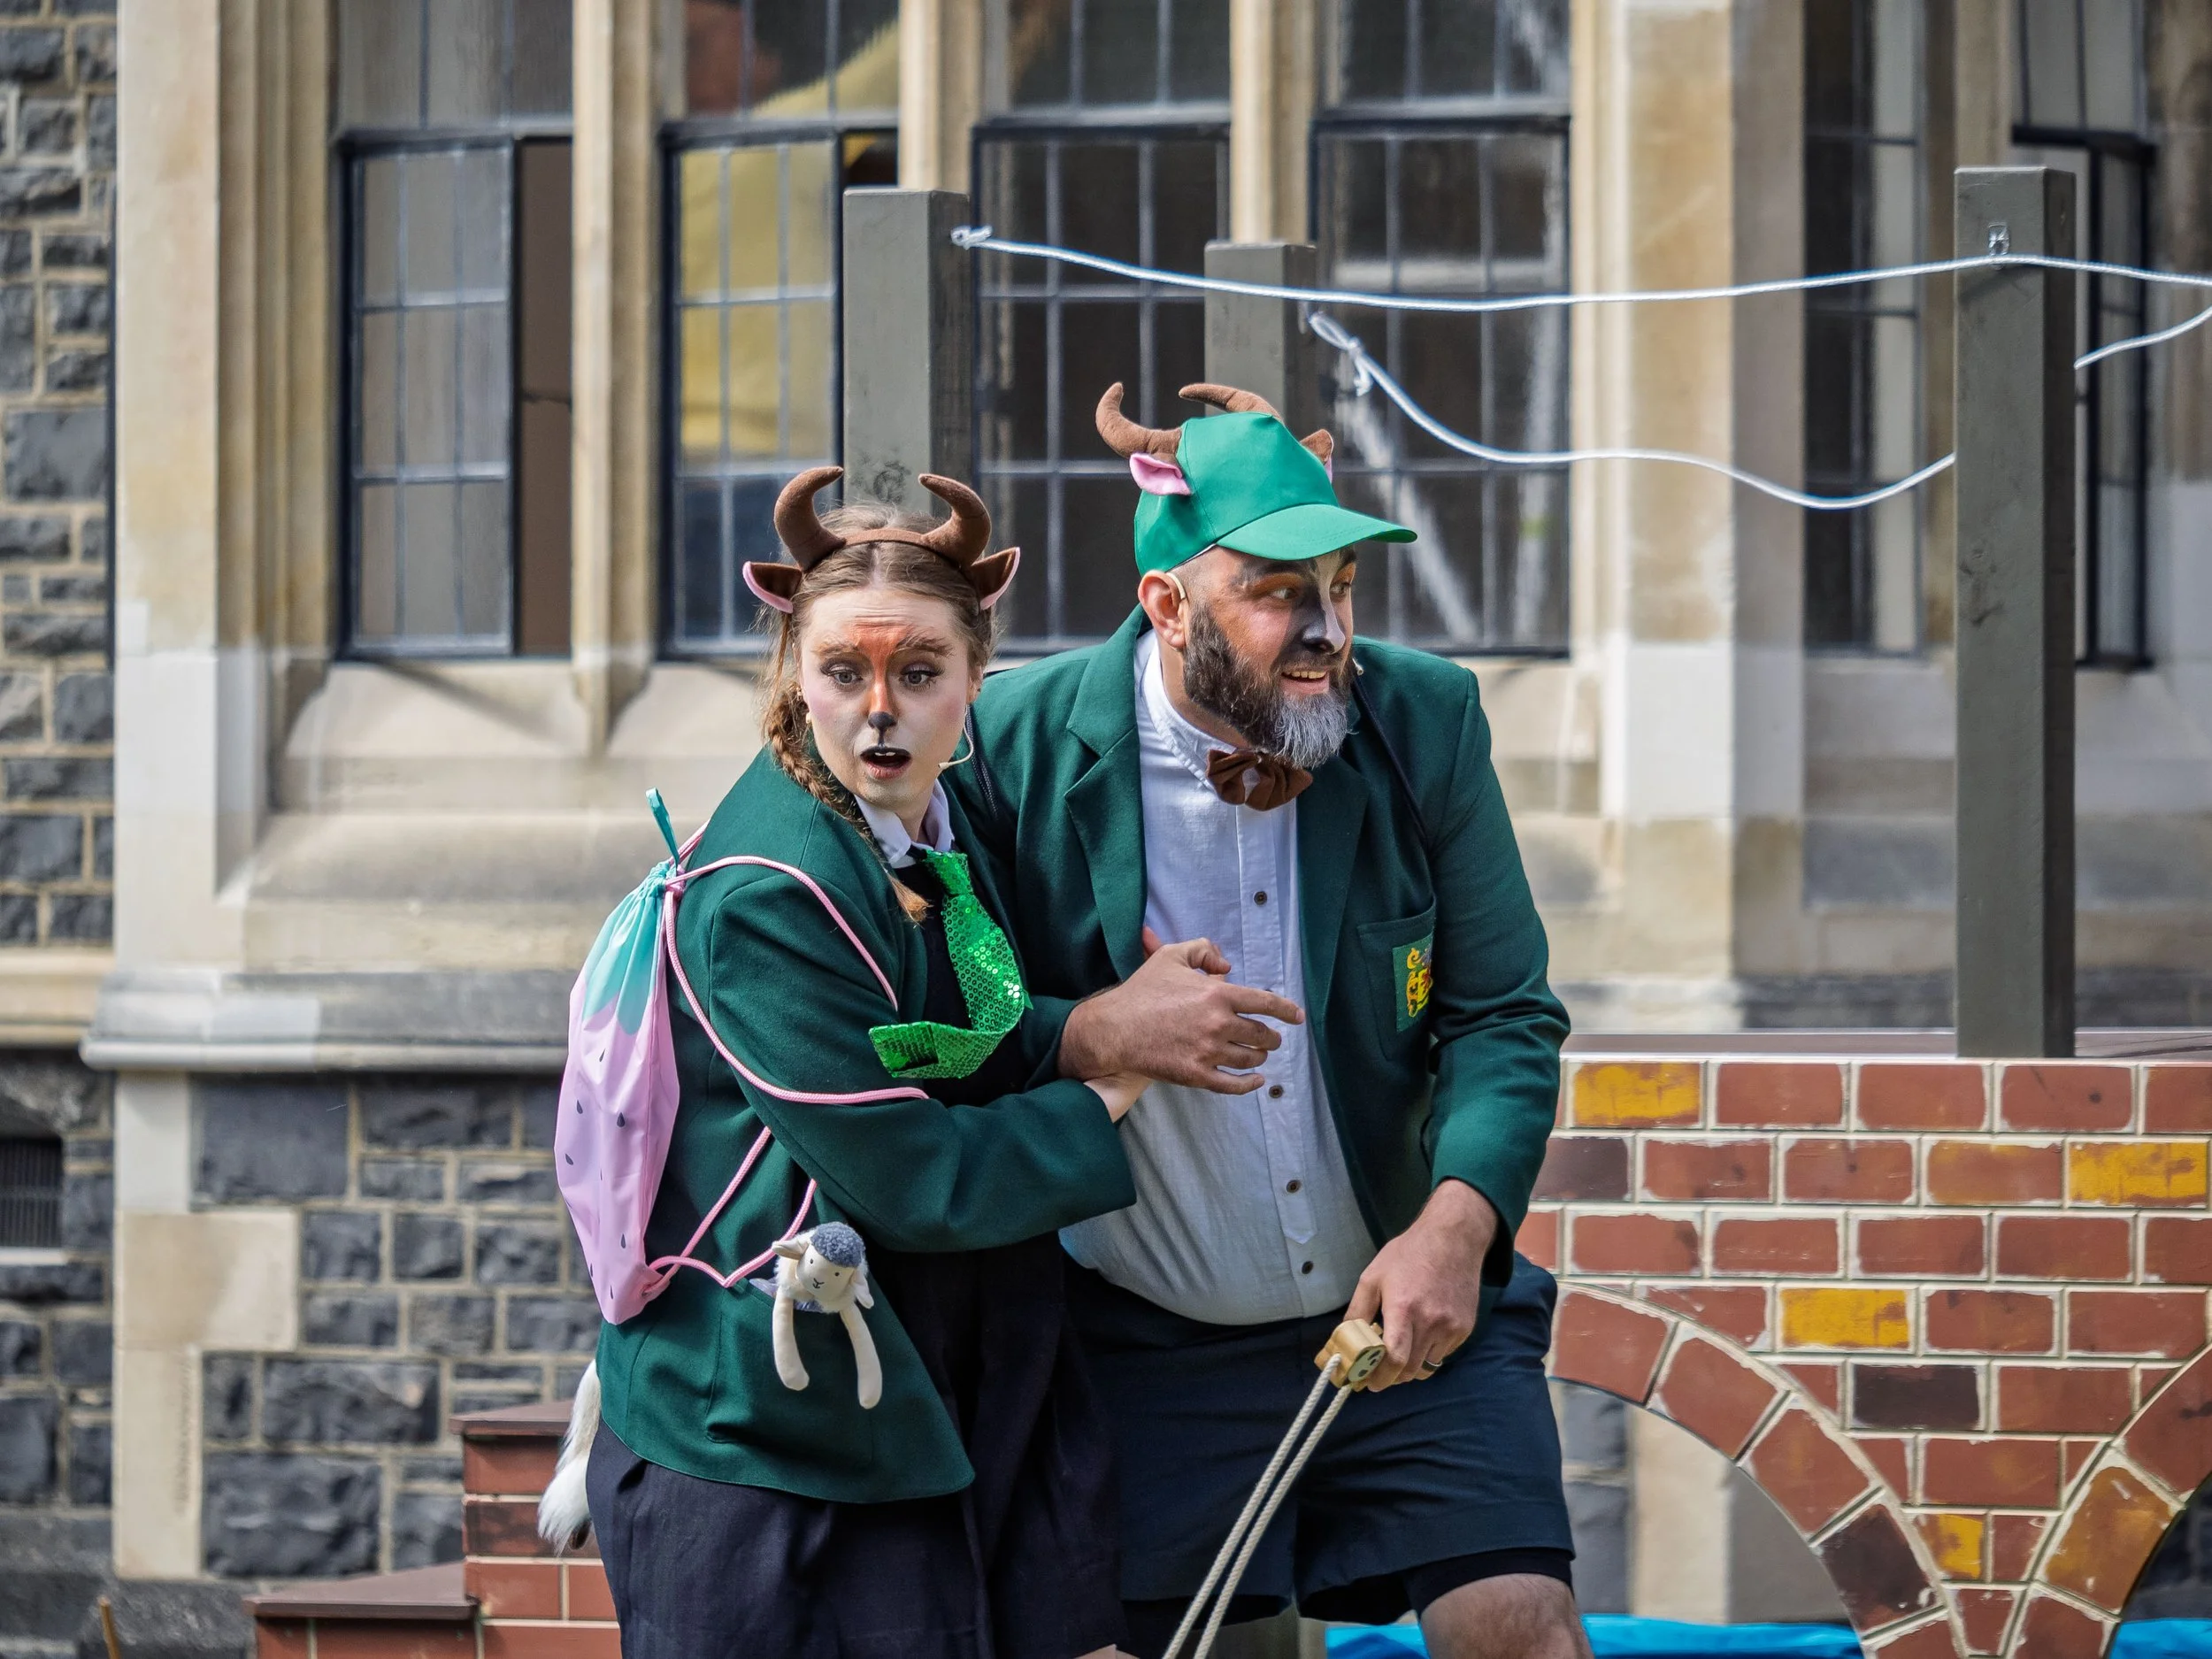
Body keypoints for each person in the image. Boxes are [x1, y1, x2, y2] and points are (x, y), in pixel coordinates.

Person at [948, 383, 1584, 1659]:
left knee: (1522, 1629)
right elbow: (951, 1026)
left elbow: (1505, 1012)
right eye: (1278, 590)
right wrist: (1093, 1033)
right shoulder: (1007, 746)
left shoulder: (1424, 717)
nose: (1325, 629)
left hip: (1406, 1324)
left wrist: (1458, 1227)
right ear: (1167, 603)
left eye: (1342, 586)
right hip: (1133, 1346)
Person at [583, 467, 1156, 1659]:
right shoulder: (764, 889)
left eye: (919, 673)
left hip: (918, 1385)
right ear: (798, 671)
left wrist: (1105, 1017)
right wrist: (1103, 1095)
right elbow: (906, 1173)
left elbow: (959, 1025)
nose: (880, 711)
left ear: (974, 679)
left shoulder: (929, 829)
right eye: (846, 672)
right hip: (760, 1439)